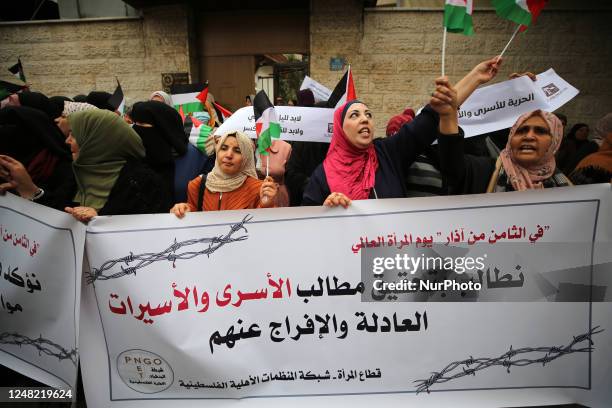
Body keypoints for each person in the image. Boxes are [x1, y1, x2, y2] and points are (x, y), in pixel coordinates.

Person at [301, 57, 503, 207]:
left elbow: (431, 117)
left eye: (368, 115)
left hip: (390, 258)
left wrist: (476, 77)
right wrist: (328, 208)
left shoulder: (387, 153)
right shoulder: (321, 176)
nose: (364, 119)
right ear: (340, 130)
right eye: (354, 115)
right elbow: (309, 224)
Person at [63, 109, 171, 222]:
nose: (67, 140)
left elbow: (148, 230)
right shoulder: (74, 174)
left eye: (74, 135)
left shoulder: (144, 184)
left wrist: (101, 219)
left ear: (97, 140)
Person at [438, 108, 571, 193]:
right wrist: (447, 117)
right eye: (521, 130)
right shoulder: (482, 171)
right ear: (511, 137)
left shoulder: (567, 188)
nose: (529, 136)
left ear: (555, 141)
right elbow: (450, 159)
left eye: (540, 131)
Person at [170, 131, 278, 217]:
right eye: (224, 148)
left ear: (246, 157)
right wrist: (183, 209)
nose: (229, 155)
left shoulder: (258, 189)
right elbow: (193, 215)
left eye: (237, 150)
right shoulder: (198, 184)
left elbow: (263, 230)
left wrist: (267, 205)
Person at [570, 113, 612, 185]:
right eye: (581, 130)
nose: (584, 133)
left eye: (587, 131)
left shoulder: (590, 146)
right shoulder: (592, 147)